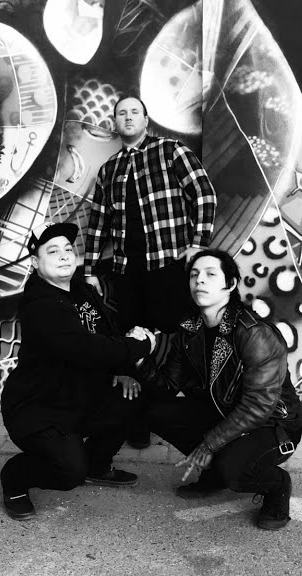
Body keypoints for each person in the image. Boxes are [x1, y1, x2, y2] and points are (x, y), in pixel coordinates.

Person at [82, 95, 218, 448]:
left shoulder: (171, 151)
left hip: (169, 267)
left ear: (146, 119)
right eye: (121, 113)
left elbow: (203, 194)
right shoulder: (109, 169)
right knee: (135, 345)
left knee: (183, 339)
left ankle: (194, 418)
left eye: (134, 112)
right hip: (128, 273)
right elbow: (98, 222)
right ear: (115, 123)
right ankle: (137, 418)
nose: (128, 117)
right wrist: (91, 269)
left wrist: (198, 243)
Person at [0, 221, 157, 521]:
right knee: (69, 473)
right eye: (52, 251)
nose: (63, 256)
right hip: (39, 409)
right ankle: (14, 477)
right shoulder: (40, 305)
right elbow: (86, 348)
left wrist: (122, 369)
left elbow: (107, 331)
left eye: (68, 249)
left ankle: (98, 465)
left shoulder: (81, 290)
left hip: (79, 397)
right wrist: (140, 346)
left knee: (133, 394)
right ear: (35, 262)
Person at [139, 248, 302, 531]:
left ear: (230, 284)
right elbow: (167, 387)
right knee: (155, 411)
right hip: (224, 412)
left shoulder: (254, 333)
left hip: (273, 424)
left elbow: (258, 407)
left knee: (234, 472)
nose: (199, 280)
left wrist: (209, 444)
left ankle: (277, 486)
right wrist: (141, 360)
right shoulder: (190, 329)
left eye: (210, 274)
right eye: (194, 275)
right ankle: (216, 472)